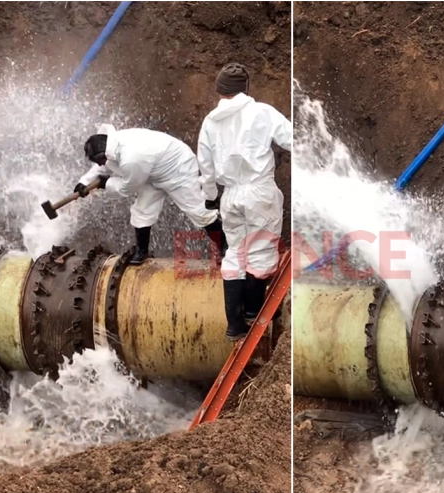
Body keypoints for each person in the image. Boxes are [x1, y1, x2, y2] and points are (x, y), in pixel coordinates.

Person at [197, 63, 292, 341]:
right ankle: (252, 312)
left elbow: (206, 166)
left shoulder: (210, 122)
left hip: (231, 195)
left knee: (236, 252)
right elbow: (291, 139)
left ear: (219, 90)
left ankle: (234, 325)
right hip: (259, 191)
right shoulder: (261, 112)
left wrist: (211, 197)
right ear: (245, 89)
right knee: (261, 250)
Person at [74, 124, 227, 265]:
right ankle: (142, 252)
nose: (100, 163)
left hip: (178, 169)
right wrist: (84, 182)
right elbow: (105, 165)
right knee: (142, 211)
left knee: (198, 211)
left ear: (105, 152)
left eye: (99, 160)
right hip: (151, 171)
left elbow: (126, 189)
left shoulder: (131, 159)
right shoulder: (112, 144)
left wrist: (104, 183)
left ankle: (224, 247)